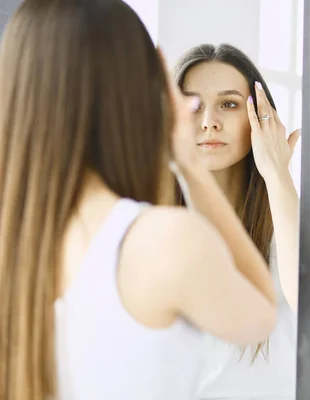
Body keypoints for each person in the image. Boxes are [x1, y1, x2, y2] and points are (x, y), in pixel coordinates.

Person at [0, 1, 278, 400]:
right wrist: (190, 167)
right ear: (141, 91)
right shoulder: (163, 241)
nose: (208, 119)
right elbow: (261, 316)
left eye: (228, 103)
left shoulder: (16, 240)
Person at [172, 44, 300, 399]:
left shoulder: (286, 219)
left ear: (260, 115)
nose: (208, 121)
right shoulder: (155, 225)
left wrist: (277, 174)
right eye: (191, 104)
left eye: (228, 104)